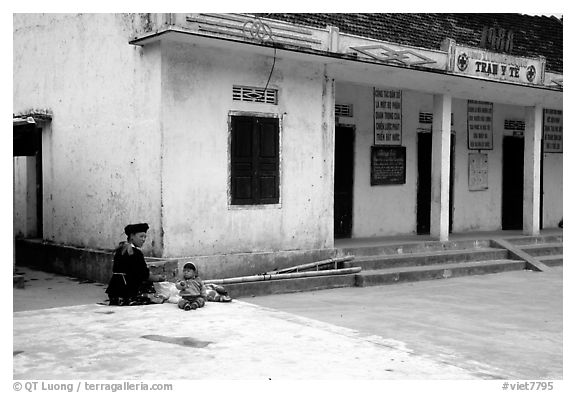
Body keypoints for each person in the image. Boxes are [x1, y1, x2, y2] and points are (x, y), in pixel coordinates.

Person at [105, 223, 165, 306]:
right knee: (153, 292)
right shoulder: (135, 253)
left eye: (145, 237)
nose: (143, 239)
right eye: (141, 236)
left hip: (114, 291)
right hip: (127, 291)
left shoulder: (120, 249)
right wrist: (158, 278)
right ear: (132, 236)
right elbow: (144, 275)